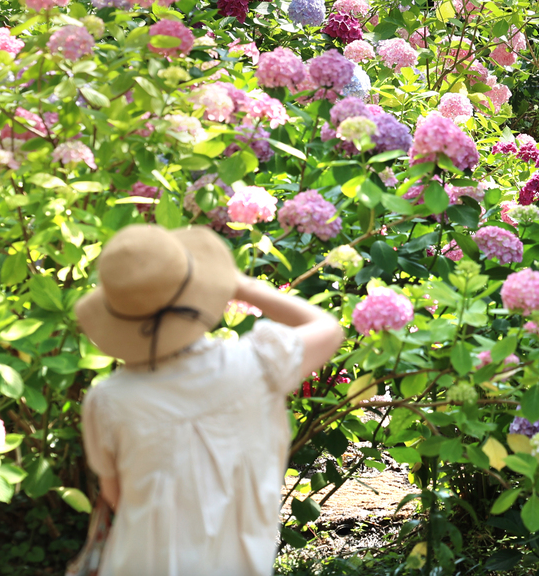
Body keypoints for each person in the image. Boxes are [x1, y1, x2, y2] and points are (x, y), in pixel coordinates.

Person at [75, 224, 344, 576]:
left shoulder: (108, 401)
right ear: (197, 292)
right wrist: (241, 284)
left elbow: (116, 497)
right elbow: (328, 328)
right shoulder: (258, 366)